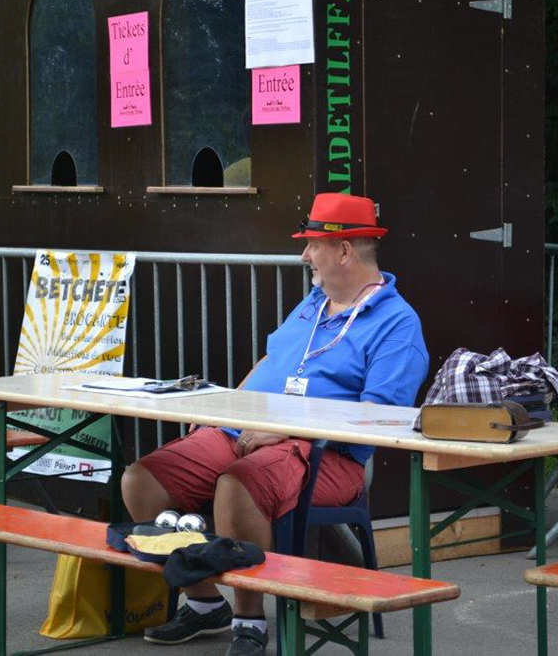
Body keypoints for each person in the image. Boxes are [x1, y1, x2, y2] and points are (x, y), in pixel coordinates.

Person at [120, 193, 429, 656]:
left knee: (236, 485)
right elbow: (271, 359)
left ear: (343, 250)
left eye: (312, 246)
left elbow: (377, 420)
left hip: (328, 453)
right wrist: (223, 408)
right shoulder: (312, 302)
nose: (305, 255)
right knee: (142, 479)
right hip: (247, 432)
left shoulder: (398, 324)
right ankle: (205, 605)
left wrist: (285, 431)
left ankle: (250, 620)